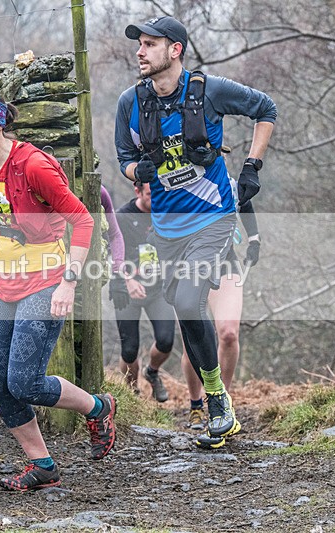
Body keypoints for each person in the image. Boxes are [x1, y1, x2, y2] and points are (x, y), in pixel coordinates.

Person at [115, 15, 276, 448]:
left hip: (213, 219)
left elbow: (266, 109)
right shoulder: (130, 102)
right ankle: (213, 404)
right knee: (186, 309)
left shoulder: (209, 91)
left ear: (175, 50)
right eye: (139, 44)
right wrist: (136, 171)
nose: (140, 51)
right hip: (167, 230)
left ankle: (217, 401)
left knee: (189, 301)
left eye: (150, 44)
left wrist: (252, 167)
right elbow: (124, 156)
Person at [0, 88, 117, 492]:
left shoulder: (33, 166)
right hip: (0, 282)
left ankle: (98, 407)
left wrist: (69, 282)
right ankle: (42, 465)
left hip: (45, 280)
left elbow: (82, 220)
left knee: (25, 382)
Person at [182, 194, 261, 433]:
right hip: (186, 264)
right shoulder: (175, 179)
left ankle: (222, 404)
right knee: (192, 341)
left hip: (224, 261)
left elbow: (242, 196)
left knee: (228, 333)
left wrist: (254, 238)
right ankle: (196, 404)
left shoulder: (221, 178)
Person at [109, 181, 176, 401]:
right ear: (137, 191)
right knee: (129, 350)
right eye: (150, 194)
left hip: (158, 289)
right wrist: (127, 280)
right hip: (127, 289)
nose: (155, 198)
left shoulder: (166, 213)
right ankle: (133, 394)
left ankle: (152, 372)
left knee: (166, 341)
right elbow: (111, 254)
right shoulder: (122, 217)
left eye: (159, 193)